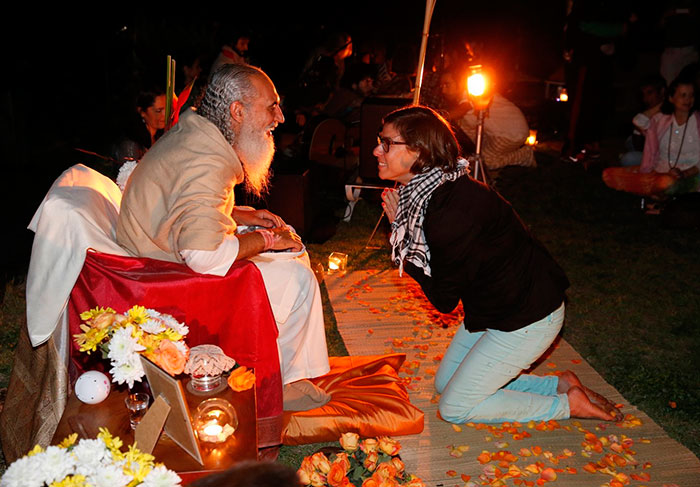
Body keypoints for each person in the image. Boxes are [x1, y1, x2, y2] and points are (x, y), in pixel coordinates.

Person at [378, 105, 623, 424]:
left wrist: (402, 241)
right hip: (495, 307)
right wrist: (401, 230)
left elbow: (444, 300)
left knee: (454, 408)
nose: (376, 150)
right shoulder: (433, 190)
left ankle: (567, 405)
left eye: (386, 143)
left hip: (530, 316)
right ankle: (558, 385)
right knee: (444, 385)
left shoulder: (449, 213)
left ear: (419, 151)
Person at [117, 64, 330, 410]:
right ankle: (278, 383)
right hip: (165, 278)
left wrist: (238, 214)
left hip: (161, 253)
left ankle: (289, 372)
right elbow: (203, 256)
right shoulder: (207, 159)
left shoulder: (198, 130)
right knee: (297, 276)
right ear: (237, 111)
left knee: (291, 259)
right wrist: (266, 240)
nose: (280, 118)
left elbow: (182, 205)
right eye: (271, 107)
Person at [603, 76, 700, 196]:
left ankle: (653, 190)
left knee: (667, 183)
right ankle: (652, 189)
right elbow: (639, 121)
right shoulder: (662, 120)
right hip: (659, 173)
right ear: (671, 98)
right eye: (683, 95)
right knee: (609, 174)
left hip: (688, 176)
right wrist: (663, 106)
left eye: (691, 95)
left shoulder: (697, 122)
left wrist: (685, 173)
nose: (688, 99)